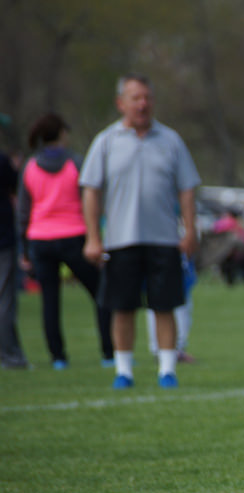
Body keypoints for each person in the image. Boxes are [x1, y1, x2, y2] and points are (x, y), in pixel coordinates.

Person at [80, 73, 201, 389]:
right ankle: (124, 370)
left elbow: (187, 190)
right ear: (121, 103)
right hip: (121, 239)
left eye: (147, 97)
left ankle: (167, 369)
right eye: (136, 98)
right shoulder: (106, 142)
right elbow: (91, 190)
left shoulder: (171, 140)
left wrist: (190, 231)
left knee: (165, 305)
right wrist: (93, 236)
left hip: (163, 238)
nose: (143, 104)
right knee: (122, 307)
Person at [16, 112, 113, 369]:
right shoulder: (75, 163)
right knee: (101, 292)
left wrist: (24, 250)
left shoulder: (30, 165)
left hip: (40, 239)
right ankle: (109, 353)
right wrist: (97, 237)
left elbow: (24, 213)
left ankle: (58, 358)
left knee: (50, 300)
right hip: (74, 236)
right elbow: (90, 201)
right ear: (60, 134)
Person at [0, 148, 29, 369]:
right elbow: (16, 187)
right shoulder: (2, 160)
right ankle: (10, 356)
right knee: (5, 300)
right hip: (3, 239)